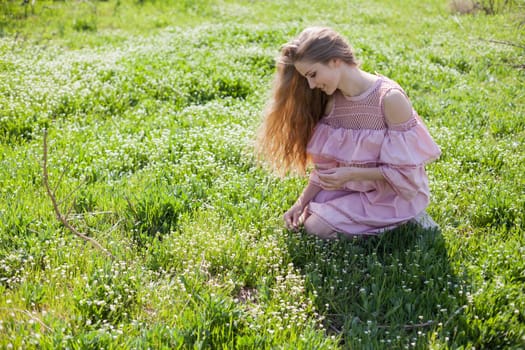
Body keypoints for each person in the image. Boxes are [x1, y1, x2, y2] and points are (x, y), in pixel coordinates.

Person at [256, 26, 441, 239]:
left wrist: (351, 174)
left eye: (313, 74)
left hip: (392, 194)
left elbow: (406, 173)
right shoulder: (332, 102)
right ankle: (375, 221)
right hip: (354, 188)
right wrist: (300, 203)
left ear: (335, 60)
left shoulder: (389, 99)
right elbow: (325, 169)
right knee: (309, 216)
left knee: (316, 228)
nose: (311, 84)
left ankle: (408, 218)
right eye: (307, 78)